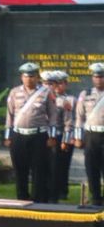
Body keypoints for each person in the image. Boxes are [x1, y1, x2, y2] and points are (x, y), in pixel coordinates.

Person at [5, 61, 58, 202]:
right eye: (26, 76)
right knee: (20, 169)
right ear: (21, 77)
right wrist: (8, 135)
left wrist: (52, 136)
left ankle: (38, 199)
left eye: (32, 76)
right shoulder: (14, 92)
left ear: (37, 77)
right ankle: (22, 198)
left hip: (38, 135)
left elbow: (53, 115)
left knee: (39, 169)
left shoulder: (46, 92)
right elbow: (9, 115)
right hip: (19, 135)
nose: (29, 79)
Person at [75, 62, 104, 206]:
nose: (99, 79)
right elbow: (79, 118)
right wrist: (78, 137)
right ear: (93, 78)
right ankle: (96, 197)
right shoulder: (85, 94)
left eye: (102, 77)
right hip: (91, 135)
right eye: (96, 77)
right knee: (92, 168)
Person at [50, 71, 77, 202]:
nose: (57, 86)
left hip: (64, 136)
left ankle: (63, 190)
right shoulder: (48, 98)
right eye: (55, 83)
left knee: (63, 165)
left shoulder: (70, 99)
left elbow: (71, 121)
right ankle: (53, 189)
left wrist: (67, 140)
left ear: (66, 84)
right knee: (52, 165)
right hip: (50, 136)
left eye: (61, 83)